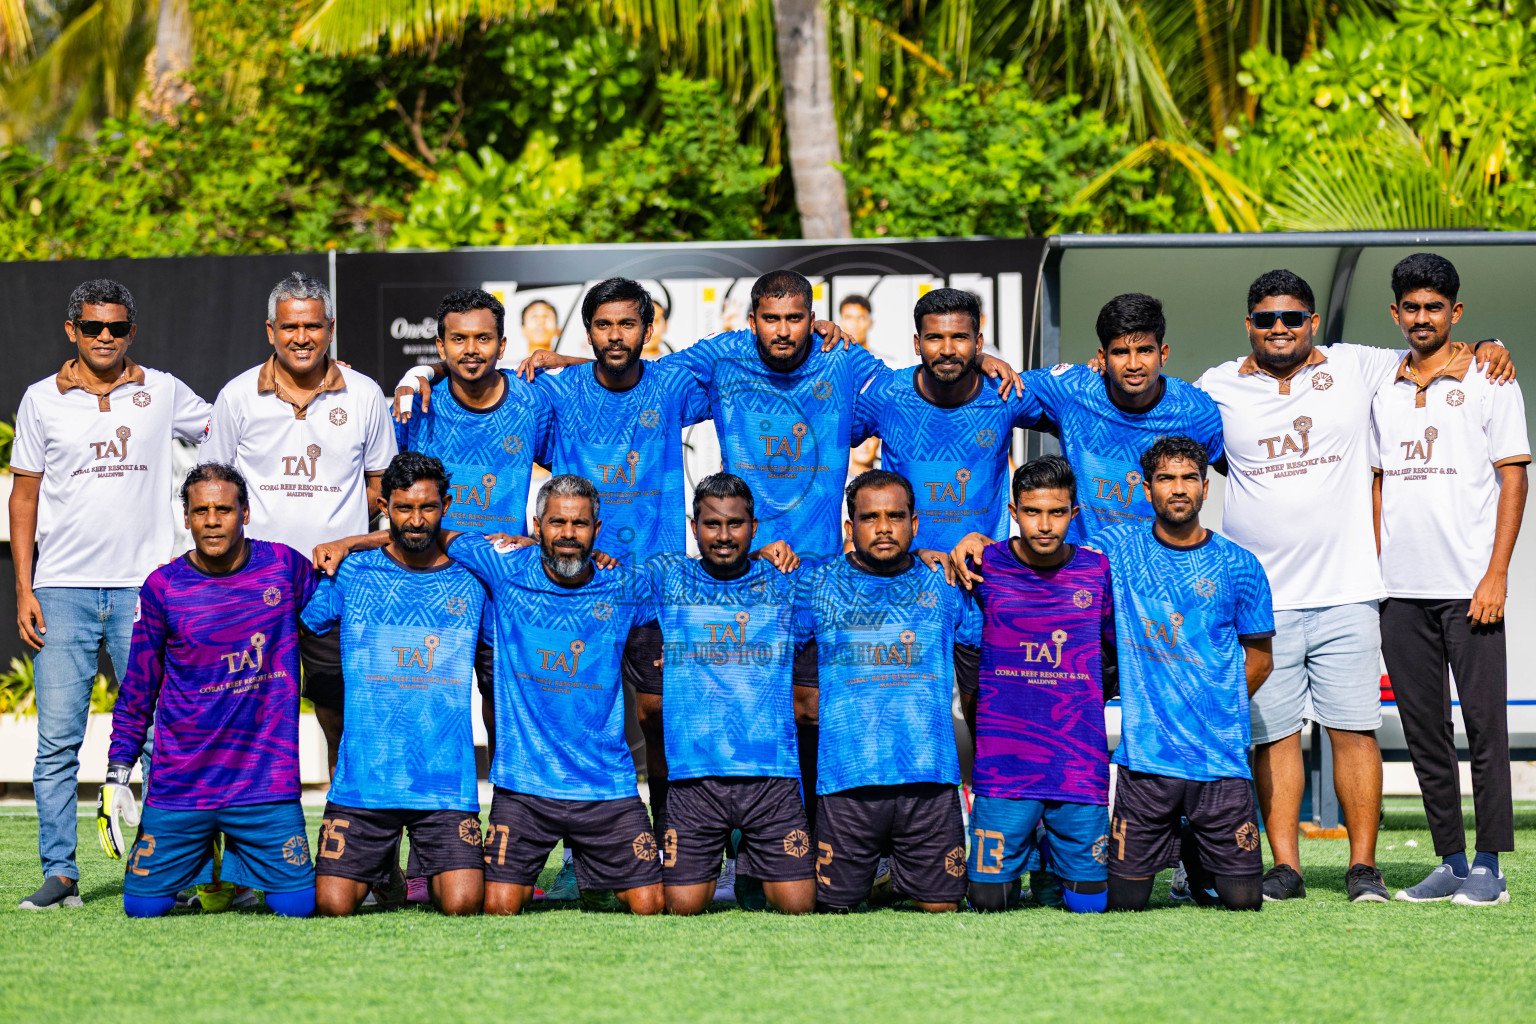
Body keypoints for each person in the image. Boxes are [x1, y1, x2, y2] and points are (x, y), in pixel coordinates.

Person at [1195, 268, 1515, 903]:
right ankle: (1288, 866)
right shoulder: (1217, 386)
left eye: (1292, 318)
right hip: (1269, 599)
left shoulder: (1358, 366)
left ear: (1314, 323)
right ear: (1250, 325)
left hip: (1351, 591)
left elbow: (1435, 346)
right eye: (1266, 319)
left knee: (1358, 729)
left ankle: (1370, 866)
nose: (1279, 329)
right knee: (1276, 735)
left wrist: (1487, 345)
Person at [317, 474, 665, 915]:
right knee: (496, 906)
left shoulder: (625, 585)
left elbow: (680, 602)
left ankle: (596, 878)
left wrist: (673, 645)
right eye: (557, 523)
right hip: (525, 785)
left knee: (651, 904)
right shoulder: (502, 566)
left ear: (597, 530)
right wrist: (352, 542)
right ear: (536, 528)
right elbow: (425, 529)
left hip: (605, 782)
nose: (568, 535)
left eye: (580, 525)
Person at [11, 278, 211, 910]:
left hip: (145, 592)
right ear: (71, 330)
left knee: (160, 738)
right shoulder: (41, 400)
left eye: (117, 328)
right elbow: (24, 496)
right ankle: (60, 874)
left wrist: (314, 375)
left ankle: (161, 870)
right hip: (62, 589)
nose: (105, 338)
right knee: (58, 742)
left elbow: (234, 424)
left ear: (131, 331)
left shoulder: (164, 391)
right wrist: (24, 587)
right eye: (93, 327)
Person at [1371, 253, 1529, 907]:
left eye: (1434, 307)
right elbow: (1377, 482)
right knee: (1423, 732)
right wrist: (1374, 570)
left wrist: (1496, 575)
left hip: (1471, 587)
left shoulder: (1492, 378)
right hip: (1399, 591)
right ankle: (1451, 861)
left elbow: (1514, 476)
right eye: (1411, 307)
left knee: (1486, 729)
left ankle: (1490, 865)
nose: (1422, 318)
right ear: (1395, 313)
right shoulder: (1381, 384)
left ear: (1455, 313)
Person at [668, 271, 1021, 564]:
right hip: (743, 564)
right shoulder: (722, 355)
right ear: (752, 321)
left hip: (822, 569)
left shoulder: (840, 357)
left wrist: (972, 362)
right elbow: (652, 380)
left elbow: (901, 387)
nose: (783, 330)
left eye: (795, 318)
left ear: (812, 318)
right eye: (771, 319)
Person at [96, 464, 316, 918]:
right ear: (187, 519)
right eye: (201, 511)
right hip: (183, 783)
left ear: (246, 512)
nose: (212, 520)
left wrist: (357, 542)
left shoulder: (284, 567)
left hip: (264, 781)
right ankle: (211, 862)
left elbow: (333, 625)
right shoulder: (163, 586)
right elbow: (138, 689)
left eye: (223, 509)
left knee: (297, 906)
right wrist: (118, 771)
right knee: (143, 909)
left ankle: (229, 866)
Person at [203, 271, 398, 775]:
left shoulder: (364, 394)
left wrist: (358, 543)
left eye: (312, 326)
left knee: (341, 715)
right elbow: (213, 490)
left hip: (338, 585)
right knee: (249, 714)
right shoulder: (238, 396)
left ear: (330, 328)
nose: (301, 337)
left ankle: (351, 843)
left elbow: (383, 488)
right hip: (254, 583)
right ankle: (250, 845)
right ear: (270, 330)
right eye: (290, 327)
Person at [302, 452, 490, 917]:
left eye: (428, 507)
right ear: (385, 507)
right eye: (404, 508)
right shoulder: (351, 572)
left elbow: (532, 551)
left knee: (463, 905)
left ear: (446, 504)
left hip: (443, 783)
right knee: (332, 906)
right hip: (365, 783)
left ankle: (409, 863)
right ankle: (383, 867)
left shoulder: (473, 578)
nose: (416, 519)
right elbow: (306, 624)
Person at [796, 470, 980, 913]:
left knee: (942, 909)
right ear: (849, 527)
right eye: (870, 517)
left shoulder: (946, 583)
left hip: (929, 780)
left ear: (915, 525)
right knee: (829, 911)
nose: (883, 527)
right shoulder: (815, 586)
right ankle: (881, 872)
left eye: (895, 516)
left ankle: (900, 871)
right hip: (847, 783)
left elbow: (976, 674)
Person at [639, 473, 816, 915]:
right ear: (694, 526)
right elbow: (589, 581)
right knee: (681, 907)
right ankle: (726, 868)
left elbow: (860, 579)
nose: (722, 535)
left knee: (799, 907)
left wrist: (928, 554)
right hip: (695, 779)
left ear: (754, 527)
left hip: (770, 777)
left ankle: (751, 868)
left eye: (735, 525)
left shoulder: (787, 583)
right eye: (711, 524)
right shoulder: (666, 579)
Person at [946, 455, 1115, 914]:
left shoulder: (1097, 572)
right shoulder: (985, 564)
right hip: (1006, 768)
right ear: (1013, 512)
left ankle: (1049, 854)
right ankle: (1036, 841)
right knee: (988, 902)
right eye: (1033, 512)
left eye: (1057, 512)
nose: (1044, 525)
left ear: (1074, 514)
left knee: (1090, 908)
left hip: (1077, 766)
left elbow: (1117, 653)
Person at [1025, 292, 1225, 542]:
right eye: (1120, 352)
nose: (1133, 364)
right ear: (1102, 358)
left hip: (1158, 570)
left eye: (1144, 350)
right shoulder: (1072, 389)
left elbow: (1242, 471)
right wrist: (979, 359)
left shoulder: (1196, 411)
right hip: (1085, 568)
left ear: (1162, 354)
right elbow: (998, 392)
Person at [853, 288, 1041, 553]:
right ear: (917, 344)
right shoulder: (887, 395)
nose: (948, 349)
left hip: (982, 574)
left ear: (978, 344)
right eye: (934, 338)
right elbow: (827, 430)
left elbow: (1073, 405)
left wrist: (1099, 370)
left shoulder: (1004, 392)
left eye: (960, 337)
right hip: (908, 576)